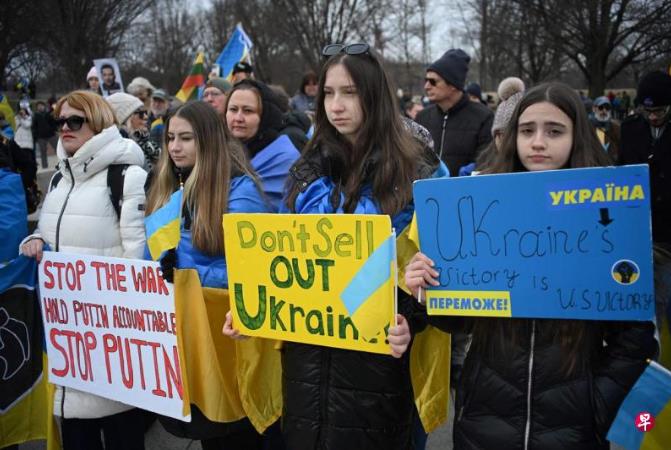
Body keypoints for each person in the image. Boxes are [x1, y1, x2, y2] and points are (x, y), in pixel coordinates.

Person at [405, 82, 658, 450]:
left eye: (554, 131)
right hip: (486, 417)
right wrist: (427, 288)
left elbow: (636, 338)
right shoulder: (481, 205)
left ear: (577, 137)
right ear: (512, 137)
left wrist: (597, 403)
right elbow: (456, 321)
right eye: (527, 131)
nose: (538, 142)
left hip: (571, 424)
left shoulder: (613, 212)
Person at [225, 42, 444, 450]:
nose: (335, 105)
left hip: (377, 372)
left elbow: (436, 270)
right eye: (328, 92)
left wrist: (409, 319)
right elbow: (281, 263)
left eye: (349, 92)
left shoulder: (421, 172)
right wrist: (251, 309)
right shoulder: (305, 170)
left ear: (374, 95)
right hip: (306, 367)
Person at [19, 90, 147, 450]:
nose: (64, 128)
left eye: (75, 121)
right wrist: (35, 241)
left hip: (109, 341)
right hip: (67, 341)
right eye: (60, 121)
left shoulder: (127, 176)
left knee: (122, 435)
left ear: (100, 123)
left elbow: (138, 258)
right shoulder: (60, 179)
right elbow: (49, 232)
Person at [145, 101, 269, 450]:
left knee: (236, 431)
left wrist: (184, 270)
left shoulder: (240, 191)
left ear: (209, 141)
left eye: (186, 138)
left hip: (231, 337)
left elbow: (250, 268)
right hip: (187, 332)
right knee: (210, 433)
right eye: (170, 137)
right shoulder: (168, 188)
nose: (175, 147)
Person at [224, 79, 301, 211]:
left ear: (265, 116)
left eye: (248, 111)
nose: (238, 118)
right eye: (233, 109)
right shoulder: (217, 152)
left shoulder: (286, 159)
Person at [416, 48, 493, 177]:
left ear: (453, 84)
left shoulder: (484, 117)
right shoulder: (422, 117)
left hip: (465, 194)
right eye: (426, 81)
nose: (427, 86)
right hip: (426, 193)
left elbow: (485, 163)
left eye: (433, 81)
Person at [619, 70, 671, 247]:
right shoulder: (629, 128)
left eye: (660, 111)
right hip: (638, 222)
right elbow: (622, 168)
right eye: (647, 111)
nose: (653, 117)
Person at [106, 92, 160, 174]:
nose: (146, 117)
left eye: (145, 112)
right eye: (140, 114)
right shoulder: (124, 149)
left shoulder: (145, 142)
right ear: (125, 120)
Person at [589, 96, 620, 161]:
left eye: (607, 108)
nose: (604, 110)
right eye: (601, 108)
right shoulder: (587, 127)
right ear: (594, 109)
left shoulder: (616, 127)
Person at [31, 101, 57, 169]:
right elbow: (34, 127)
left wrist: (53, 130)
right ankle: (45, 166)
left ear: (44, 106)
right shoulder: (35, 115)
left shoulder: (49, 114)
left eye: (41, 105)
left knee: (57, 148)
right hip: (41, 137)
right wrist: (36, 136)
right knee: (43, 151)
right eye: (38, 106)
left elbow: (54, 123)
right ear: (37, 108)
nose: (40, 107)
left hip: (51, 135)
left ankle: (62, 162)